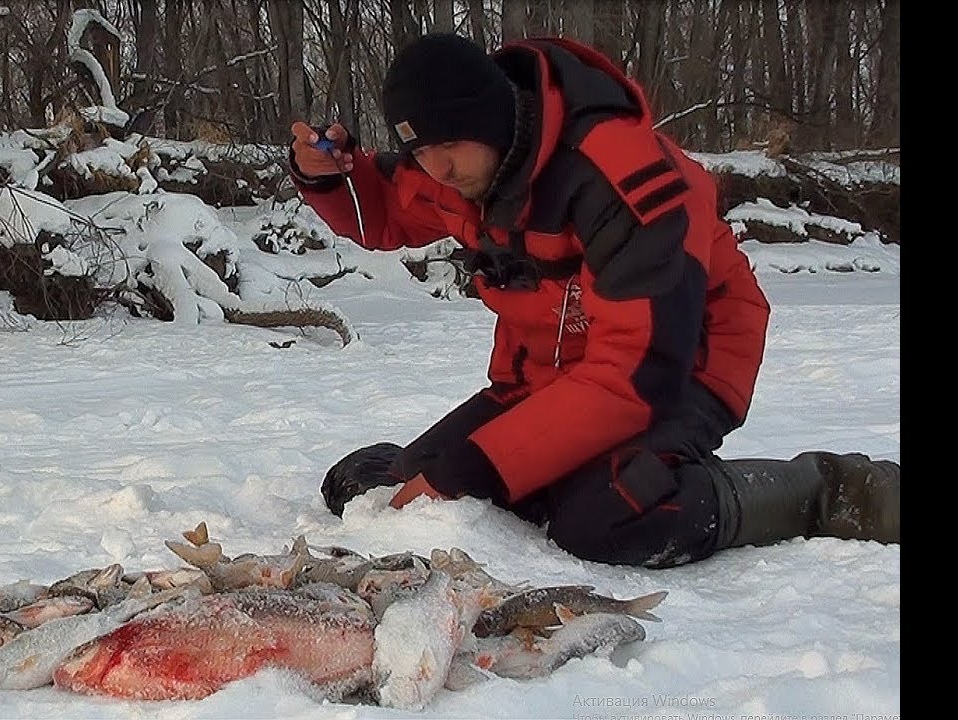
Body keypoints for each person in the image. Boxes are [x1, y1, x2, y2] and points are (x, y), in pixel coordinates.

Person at [287, 32, 900, 569]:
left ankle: (825, 490)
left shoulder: (624, 177)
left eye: (444, 148)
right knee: (406, 494)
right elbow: (389, 210)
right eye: (420, 152)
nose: (436, 170)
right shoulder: (470, 163)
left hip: (682, 365)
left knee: (605, 518)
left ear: (489, 118)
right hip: (552, 374)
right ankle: (546, 475)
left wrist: (470, 469)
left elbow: (637, 374)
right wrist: (325, 174)